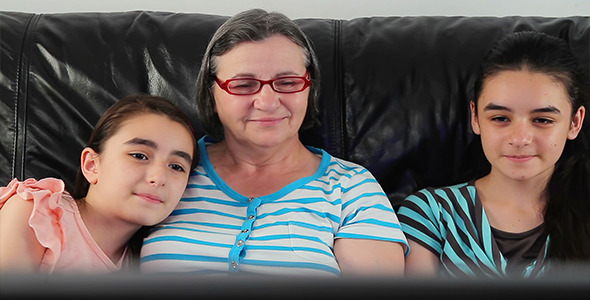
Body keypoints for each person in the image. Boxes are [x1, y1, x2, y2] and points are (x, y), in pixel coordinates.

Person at [140, 9, 408, 277]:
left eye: (288, 82)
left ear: (310, 89)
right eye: (244, 85)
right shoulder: (168, 167)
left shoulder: (351, 187)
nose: (267, 102)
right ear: (211, 94)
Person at [397, 31, 590, 278]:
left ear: (575, 122)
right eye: (500, 118)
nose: (519, 139)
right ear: (475, 118)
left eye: (542, 120)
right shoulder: (432, 213)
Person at [0, 94, 198, 273]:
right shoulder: (36, 214)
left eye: (177, 167)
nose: (159, 178)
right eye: (139, 155)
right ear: (92, 165)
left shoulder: (147, 267)